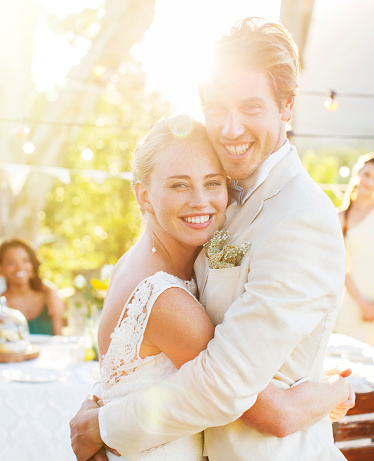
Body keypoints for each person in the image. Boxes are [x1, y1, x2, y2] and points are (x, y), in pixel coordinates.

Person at [70, 19, 353, 461]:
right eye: (216, 107)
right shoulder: (223, 196)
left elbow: (227, 381)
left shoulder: (301, 219)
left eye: (251, 107)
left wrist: (106, 426)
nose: (230, 128)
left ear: (287, 106)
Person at [334, 153, 374, 345]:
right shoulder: (342, 217)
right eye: (367, 175)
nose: (370, 181)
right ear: (358, 174)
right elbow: (338, 265)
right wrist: (363, 304)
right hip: (354, 299)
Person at [0, 237, 64, 335]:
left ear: (32, 264)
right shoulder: (2, 306)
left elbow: (59, 339)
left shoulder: (49, 298)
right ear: (1, 268)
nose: (20, 267)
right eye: (11, 262)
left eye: (25, 260)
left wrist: (52, 291)